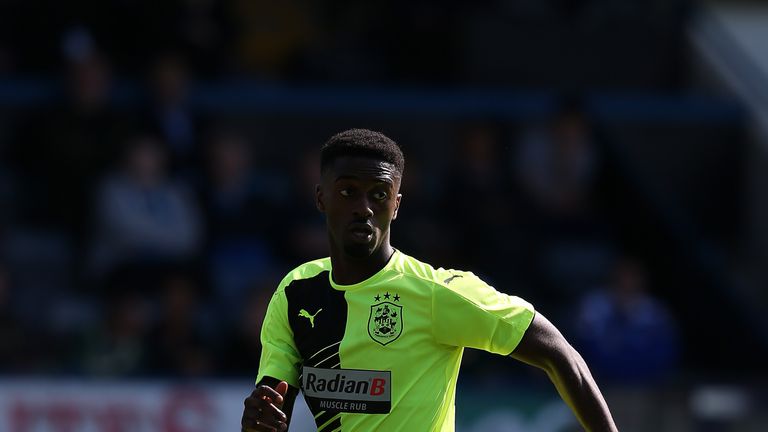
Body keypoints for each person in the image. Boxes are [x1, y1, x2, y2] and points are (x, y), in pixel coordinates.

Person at [241, 129, 617, 431]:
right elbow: (272, 406)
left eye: (379, 194)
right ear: (321, 198)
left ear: (398, 203)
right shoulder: (296, 292)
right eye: (348, 192)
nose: (364, 207)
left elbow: (558, 352)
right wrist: (259, 421)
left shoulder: (438, 293)